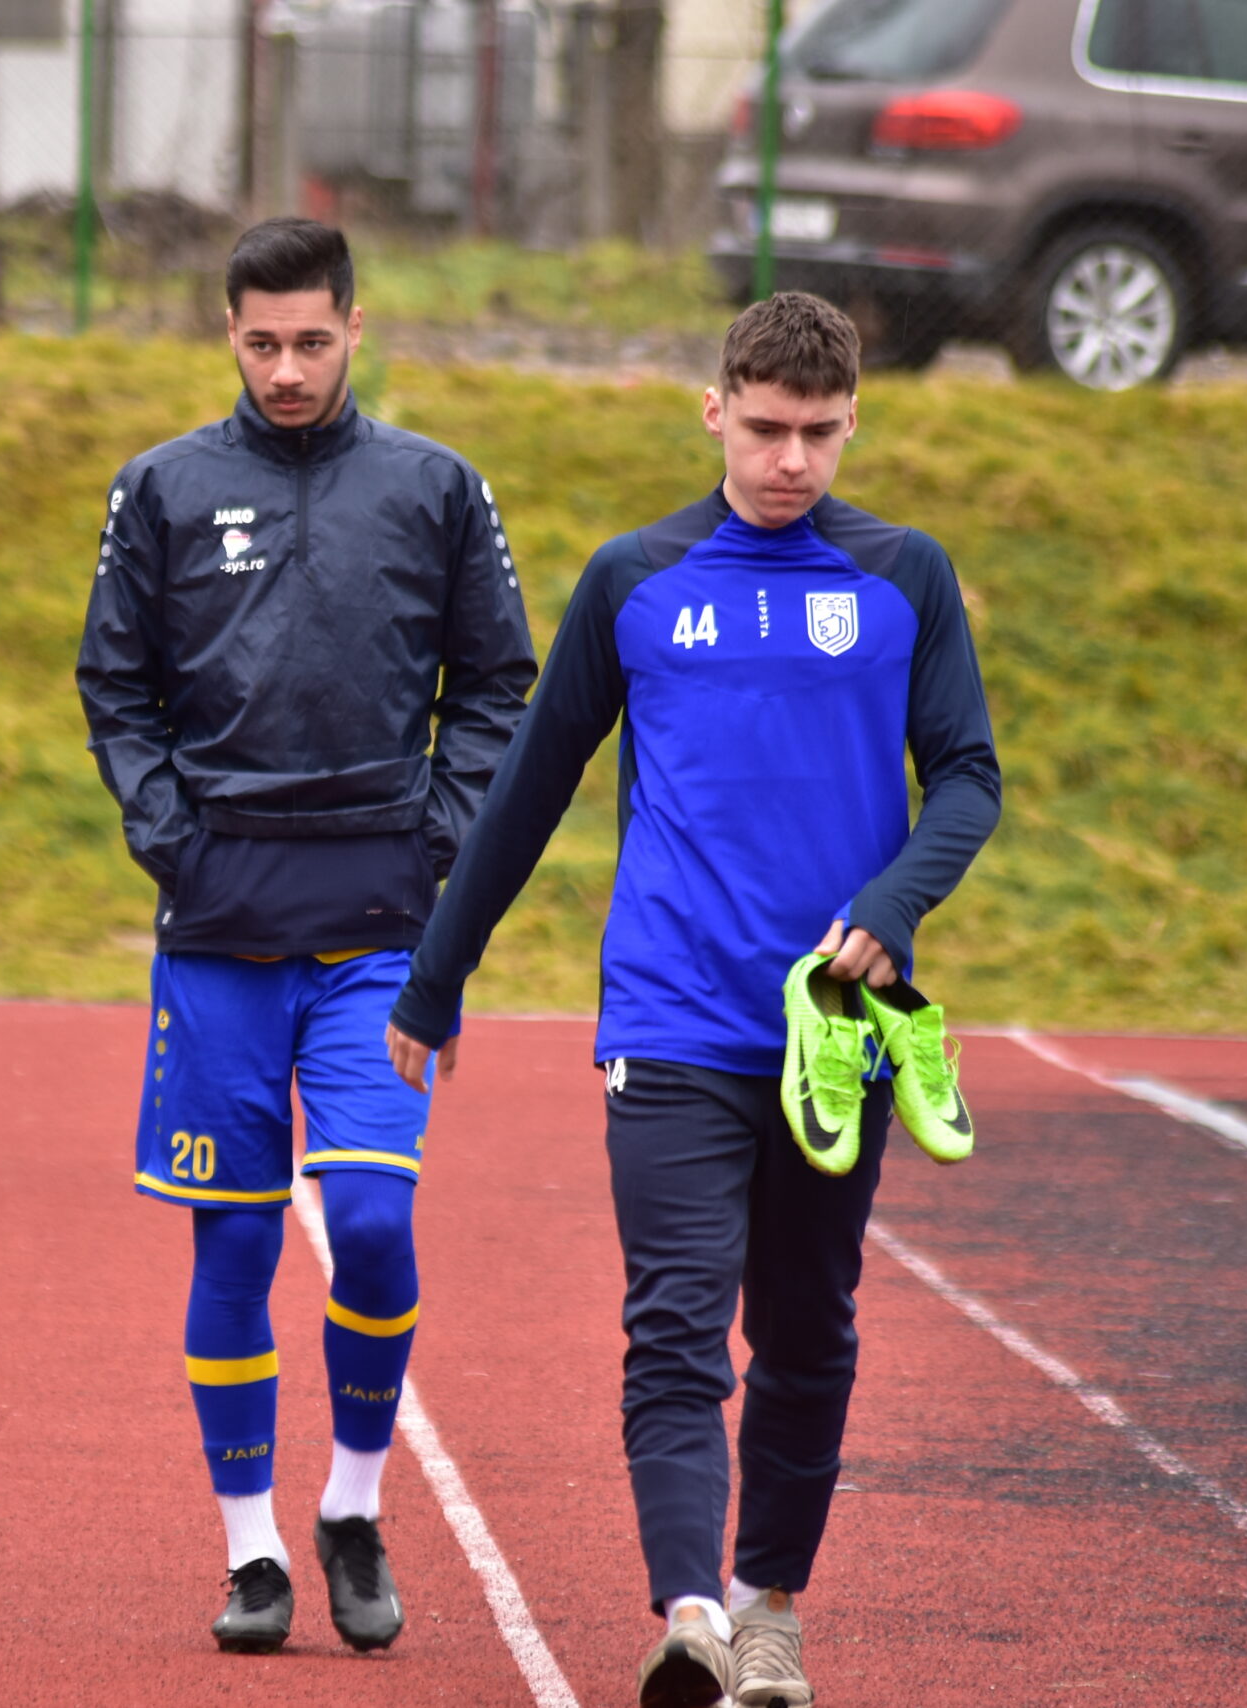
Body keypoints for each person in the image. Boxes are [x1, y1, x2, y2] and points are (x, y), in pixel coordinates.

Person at [384, 292, 1000, 1708]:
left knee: (807, 1329)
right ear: (714, 410)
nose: (791, 460)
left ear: (853, 424)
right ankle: (690, 1617)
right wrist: (436, 977)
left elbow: (968, 776)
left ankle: (769, 1612)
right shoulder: (635, 579)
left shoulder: (904, 576)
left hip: (832, 1038)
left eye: (820, 434)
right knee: (672, 1322)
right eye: (767, 427)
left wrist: (894, 905)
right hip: (670, 1018)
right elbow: (529, 787)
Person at [76, 217, 535, 1656]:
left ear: (355, 328)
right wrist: (175, 839)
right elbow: (114, 688)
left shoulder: (437, 487)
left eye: (313, 342)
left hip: (380, 933)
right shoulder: (159, 487)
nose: (287, 369)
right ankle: (253, 1551)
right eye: (263, 343)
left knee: (375, 1227)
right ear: (228, 332)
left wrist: (438, 840)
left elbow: (499, 686)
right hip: (218, 930)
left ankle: (350, 1504)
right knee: (232, 1245)